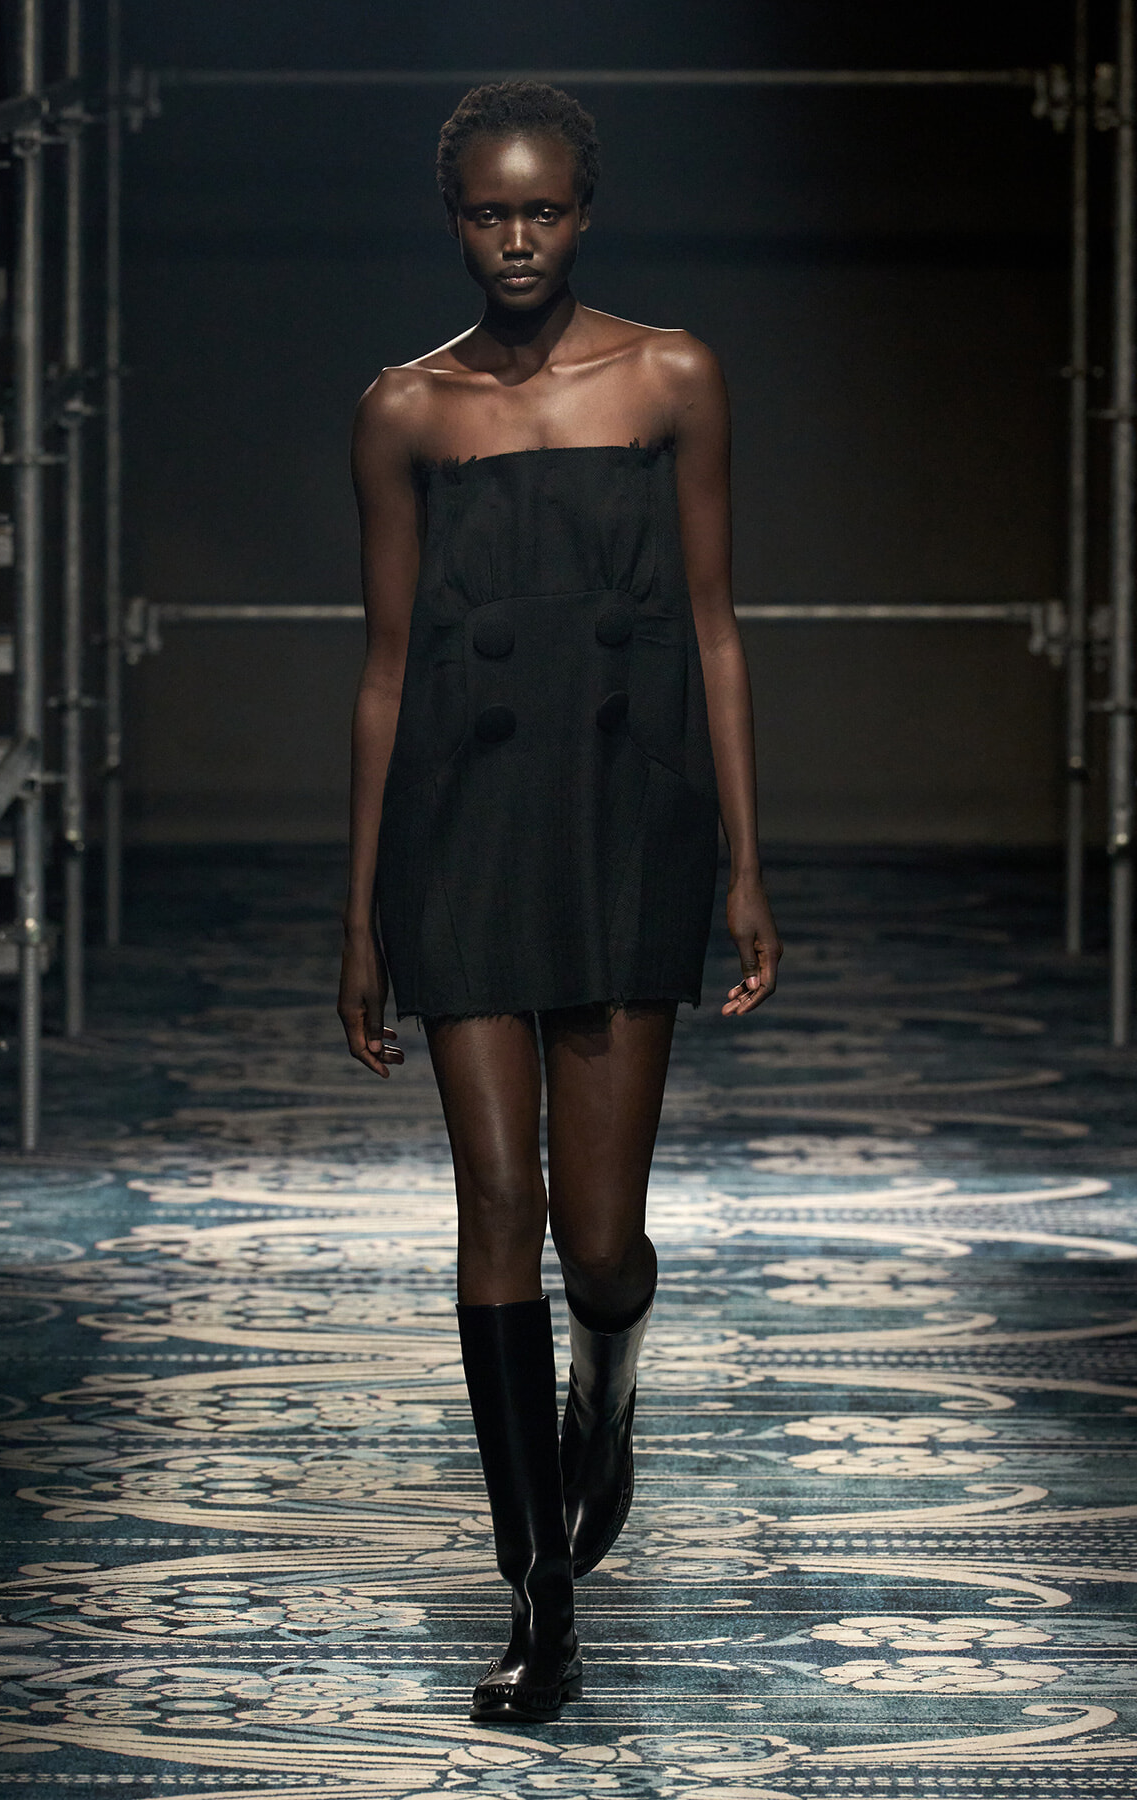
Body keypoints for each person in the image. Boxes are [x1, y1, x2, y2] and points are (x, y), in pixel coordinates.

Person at [339, 81, 781, 1725]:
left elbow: (716, 625)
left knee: (600, 1242)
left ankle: (611, 1378)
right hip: (459, 825)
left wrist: (745, 863)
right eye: (487, 212)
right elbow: (385, 668)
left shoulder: (672, 377)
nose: (516, 239)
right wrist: (360, 913)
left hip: (623, 817)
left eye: (541, 210)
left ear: (585, 212)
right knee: (494, 1206)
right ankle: (538, 1598)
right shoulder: (403, 407)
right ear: (451, 219)